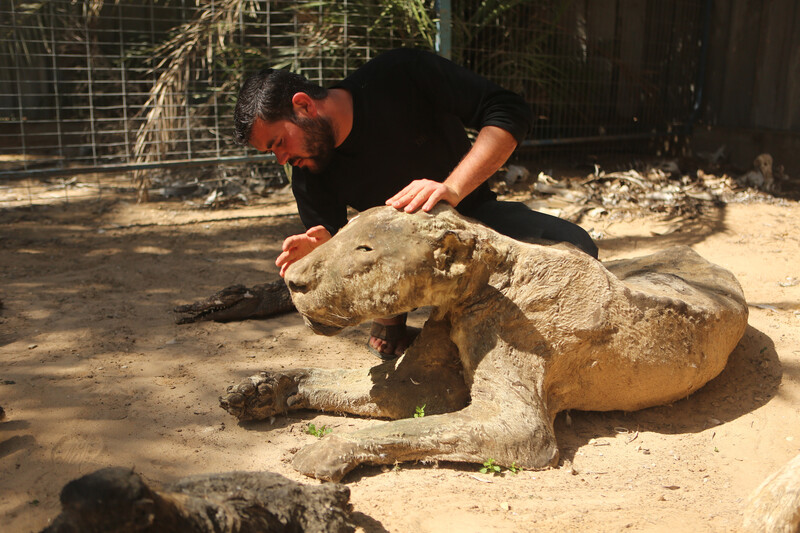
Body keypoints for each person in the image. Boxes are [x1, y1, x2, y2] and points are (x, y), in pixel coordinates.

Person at [233, 48, 598, 358]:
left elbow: (508, 110)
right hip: (399, 258)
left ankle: (444, 318)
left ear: (303, 106)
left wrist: (451, 188)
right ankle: (396, 316)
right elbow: (332, 240)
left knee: (578, 250)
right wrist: (317, 248)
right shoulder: (310, 166)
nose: (280, 159)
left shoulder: (402, 75)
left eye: (278, 142)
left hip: (474, 220)